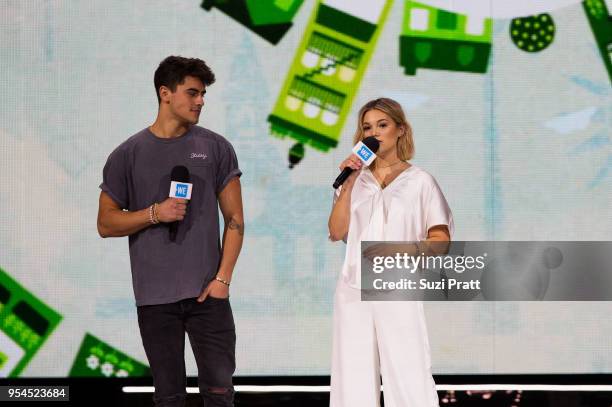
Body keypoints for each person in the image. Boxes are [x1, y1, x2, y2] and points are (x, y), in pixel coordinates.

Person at [97, 56, 243, 407]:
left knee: (220, 393)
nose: (200, 101)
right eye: (192, 93)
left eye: (203, 94)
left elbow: (235, 219)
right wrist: (154, 213)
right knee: (169, 397)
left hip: (208, 295)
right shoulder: (127, 154)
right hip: (154, 298)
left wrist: (222, 280)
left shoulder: (216, 147)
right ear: (165, 93)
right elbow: (106, 223)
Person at [328, 97, 453, 407]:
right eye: (367, 127)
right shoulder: (353, 181)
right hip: (353, 287)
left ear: (400, 130)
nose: (375, 132)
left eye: (382, 125)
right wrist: (349, 183)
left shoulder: (420, 181)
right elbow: (336, 232)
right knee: (351, 375)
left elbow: (440, 238)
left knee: (408, 373)